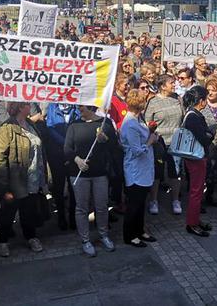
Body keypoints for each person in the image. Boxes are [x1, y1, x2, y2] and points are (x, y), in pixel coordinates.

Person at [0, 102, 47, 257]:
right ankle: (3, 242)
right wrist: (4, 186)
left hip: (33, 177)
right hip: (15, 180)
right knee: (8, 212)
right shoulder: (6, 128)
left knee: (28, 210)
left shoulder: (30, 124)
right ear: (19, 107)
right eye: (27, 103)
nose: (30, 105)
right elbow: (0, 159)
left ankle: (31, 237)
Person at [64, 105, 117, 256]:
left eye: (82, 108)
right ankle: (85, 240)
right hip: (79, 172)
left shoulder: (105, 124)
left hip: (100, 172)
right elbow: (67, 148)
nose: (80, 111)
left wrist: (105, 139)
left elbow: (114, 147)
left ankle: (103, 235)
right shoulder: (74, 125)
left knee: (101, 206)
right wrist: (77, 160)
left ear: (91, 108)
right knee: (82, 208)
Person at [119, 89, 157, 247]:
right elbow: (136, 151)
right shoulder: (130, 124)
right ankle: (129, 235)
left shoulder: (138, 119)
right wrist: (150, 141)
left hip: (144, 167)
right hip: (135, 169)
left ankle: (140, 230)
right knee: (134, 204)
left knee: (141, 202)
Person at [144, 74, 184, 215]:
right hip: (159, 143)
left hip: (176, 142)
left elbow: (183, 118)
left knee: (176, 172)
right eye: (171, 82)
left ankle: (175, 200)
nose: (175, 84)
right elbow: (147, 123)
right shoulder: (153, 102)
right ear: (162, 86)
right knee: (157, 173)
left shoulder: (178, 98)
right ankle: (154, 200)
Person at [182, 86, 215, 237]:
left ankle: (195, 219)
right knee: (196, 192)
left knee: (198, 190)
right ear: (201, 101)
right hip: (196, 158)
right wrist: (210, 134)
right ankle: (192, 223)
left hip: (197, 157)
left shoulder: (193, 113)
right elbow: (204, 138)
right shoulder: (193, 116)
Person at [45, 102, 79, 231]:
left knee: (73, 187)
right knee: (58, 187)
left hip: (72, 154)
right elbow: (50, 128)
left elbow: (79, 124)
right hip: (56, 154)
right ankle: (61, 217)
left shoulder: (75, 107)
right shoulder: (52, 107)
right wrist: (65, 143)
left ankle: (72, 217)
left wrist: (70, 144)